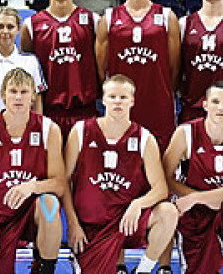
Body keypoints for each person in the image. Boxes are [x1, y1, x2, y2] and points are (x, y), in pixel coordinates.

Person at [63, 75, 178, 274]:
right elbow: (63, 182)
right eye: (113, 96)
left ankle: (143, 270)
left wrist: (137, 204)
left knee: (168, 212)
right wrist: (72, 224)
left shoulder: (144, 138)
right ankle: (80, 257)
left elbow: (160, 189)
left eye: (123, 97)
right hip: (92, 227)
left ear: (132, 101)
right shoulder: (81, 131)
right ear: (103, 99)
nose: (117, 101)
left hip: (127, 222)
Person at [0, 68, 65, 274]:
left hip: (31, 214)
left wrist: (31, 186)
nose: (18, 97)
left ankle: (44, 268)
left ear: (33, 96)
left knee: (50, 203)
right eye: (13, 91)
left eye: (24, 92)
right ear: (3, 94)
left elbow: (59, 184)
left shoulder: (49, 129)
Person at [162, 82, 223, 274]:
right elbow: (166, 177)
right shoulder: (185, 133)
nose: (220, 107)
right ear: (205, 105)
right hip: (194, 209)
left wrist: (199, 197)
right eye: (215, 101)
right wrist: (195, 198)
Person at [95, 0, 180, 152]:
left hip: (158, 106)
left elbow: (175, 68)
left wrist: (163, 90)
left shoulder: (167, 17)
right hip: (121, 107)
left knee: (161, 169)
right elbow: (101, 68)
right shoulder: (109, 18)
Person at [20, 0, 100, 139]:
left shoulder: (92, 20)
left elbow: (101, 65)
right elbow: (29, 71)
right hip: (49, 112)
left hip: (85, 111)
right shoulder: (32, 25)